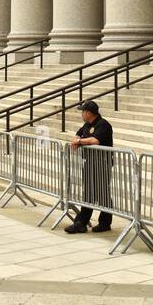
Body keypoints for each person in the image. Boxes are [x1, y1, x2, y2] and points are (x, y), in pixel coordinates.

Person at [65, 100, 114, 235]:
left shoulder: (103, 125)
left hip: (102, 164)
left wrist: (79, 141)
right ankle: (81, 222)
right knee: (88, 192)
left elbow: (95, 140)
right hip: (89, 162)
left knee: (102, 193)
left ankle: (105, 223)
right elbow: (78, 133)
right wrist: (77, 139)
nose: (81, 114)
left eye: (83, 111)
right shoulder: (88, 124)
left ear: (89, 113)